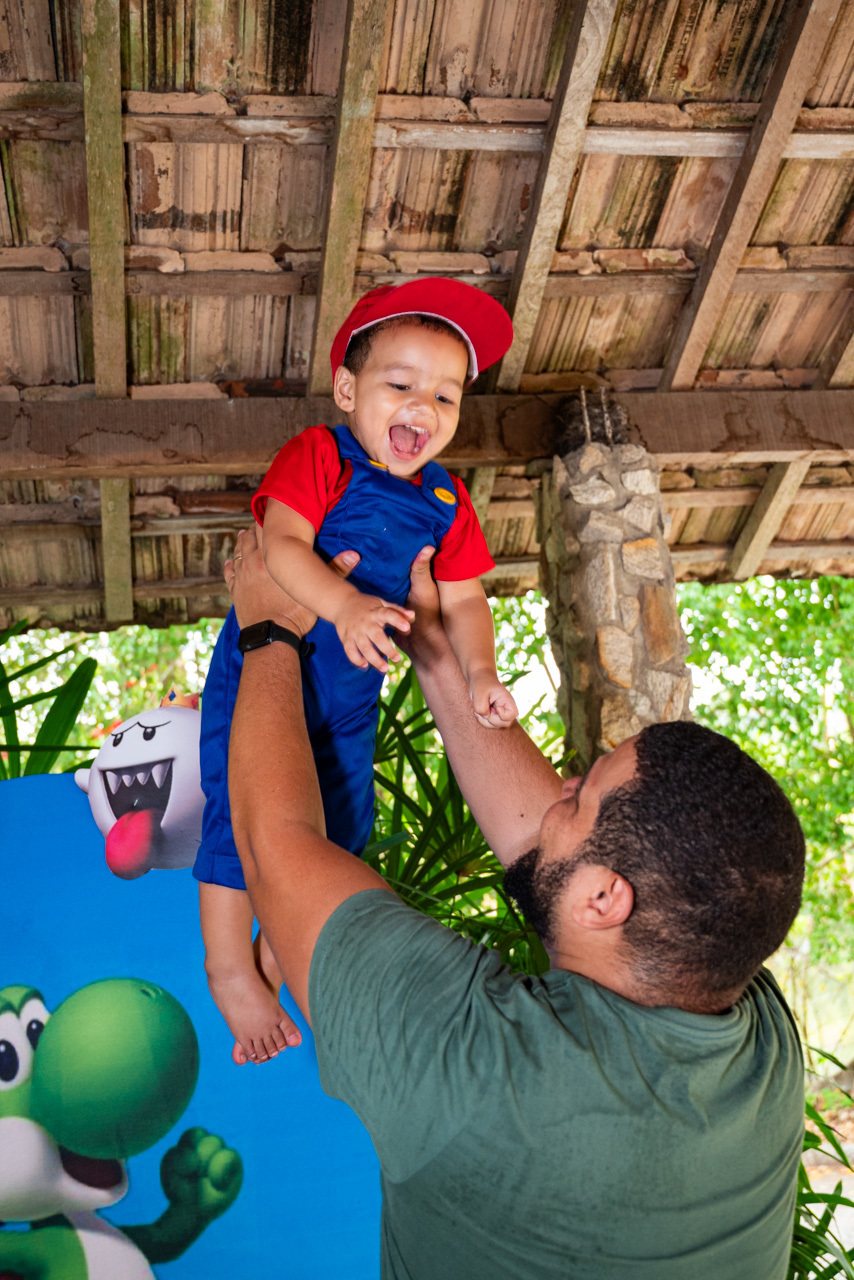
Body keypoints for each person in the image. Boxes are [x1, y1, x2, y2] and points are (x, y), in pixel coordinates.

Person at [222, 525, 806, 1280]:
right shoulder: (755, 1040)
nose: (559, 788)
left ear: (606, 900)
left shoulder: (482, 1075)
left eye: (582, 795)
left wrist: (268, 627)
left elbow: (276, 845)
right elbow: (553, 854)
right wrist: (436, 647)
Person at [194, 278, 519, 1065]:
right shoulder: (319, 454)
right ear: (348, 389)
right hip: (269, 659)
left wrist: (479, 671)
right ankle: (231, 966)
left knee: (341, 819)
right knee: (240, 810)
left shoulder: (447, 498)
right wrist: (342, 609)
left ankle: (282, 946)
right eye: (400, 385)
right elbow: (279, 549)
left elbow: (466, 598)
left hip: (349, 690)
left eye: (445, 396)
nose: (423, 408)